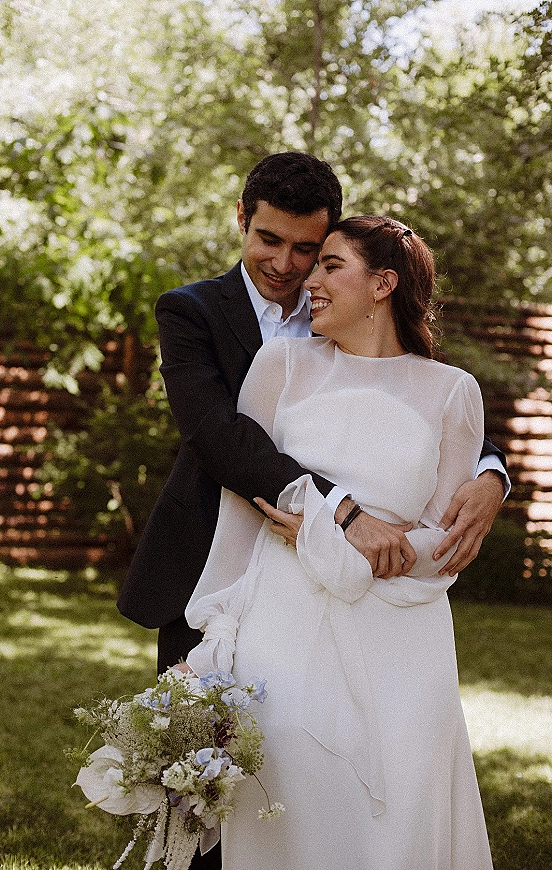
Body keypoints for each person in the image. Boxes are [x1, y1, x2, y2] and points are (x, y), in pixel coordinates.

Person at [118, 152, 507, 682]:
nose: (285, 264)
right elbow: (221, 439)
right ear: (242, 218)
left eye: (307, 249)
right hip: (217, 560)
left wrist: (491, 474)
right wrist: (344, 513)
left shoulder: (344, 305)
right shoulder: (191, 313)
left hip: (346, 580)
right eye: (269, 240)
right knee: (211, 750)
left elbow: (416, 400)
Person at [183, 216, 494, 869]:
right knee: (290, 788)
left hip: (404, 637)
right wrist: (216, 636)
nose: (309, 279)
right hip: (285, 615)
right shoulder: (283, 365)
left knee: (401, 804)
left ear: (384, 283)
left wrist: (353, 543)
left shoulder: (452, 392)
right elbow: (241, 510)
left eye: (329, 265)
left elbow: (447, 540)